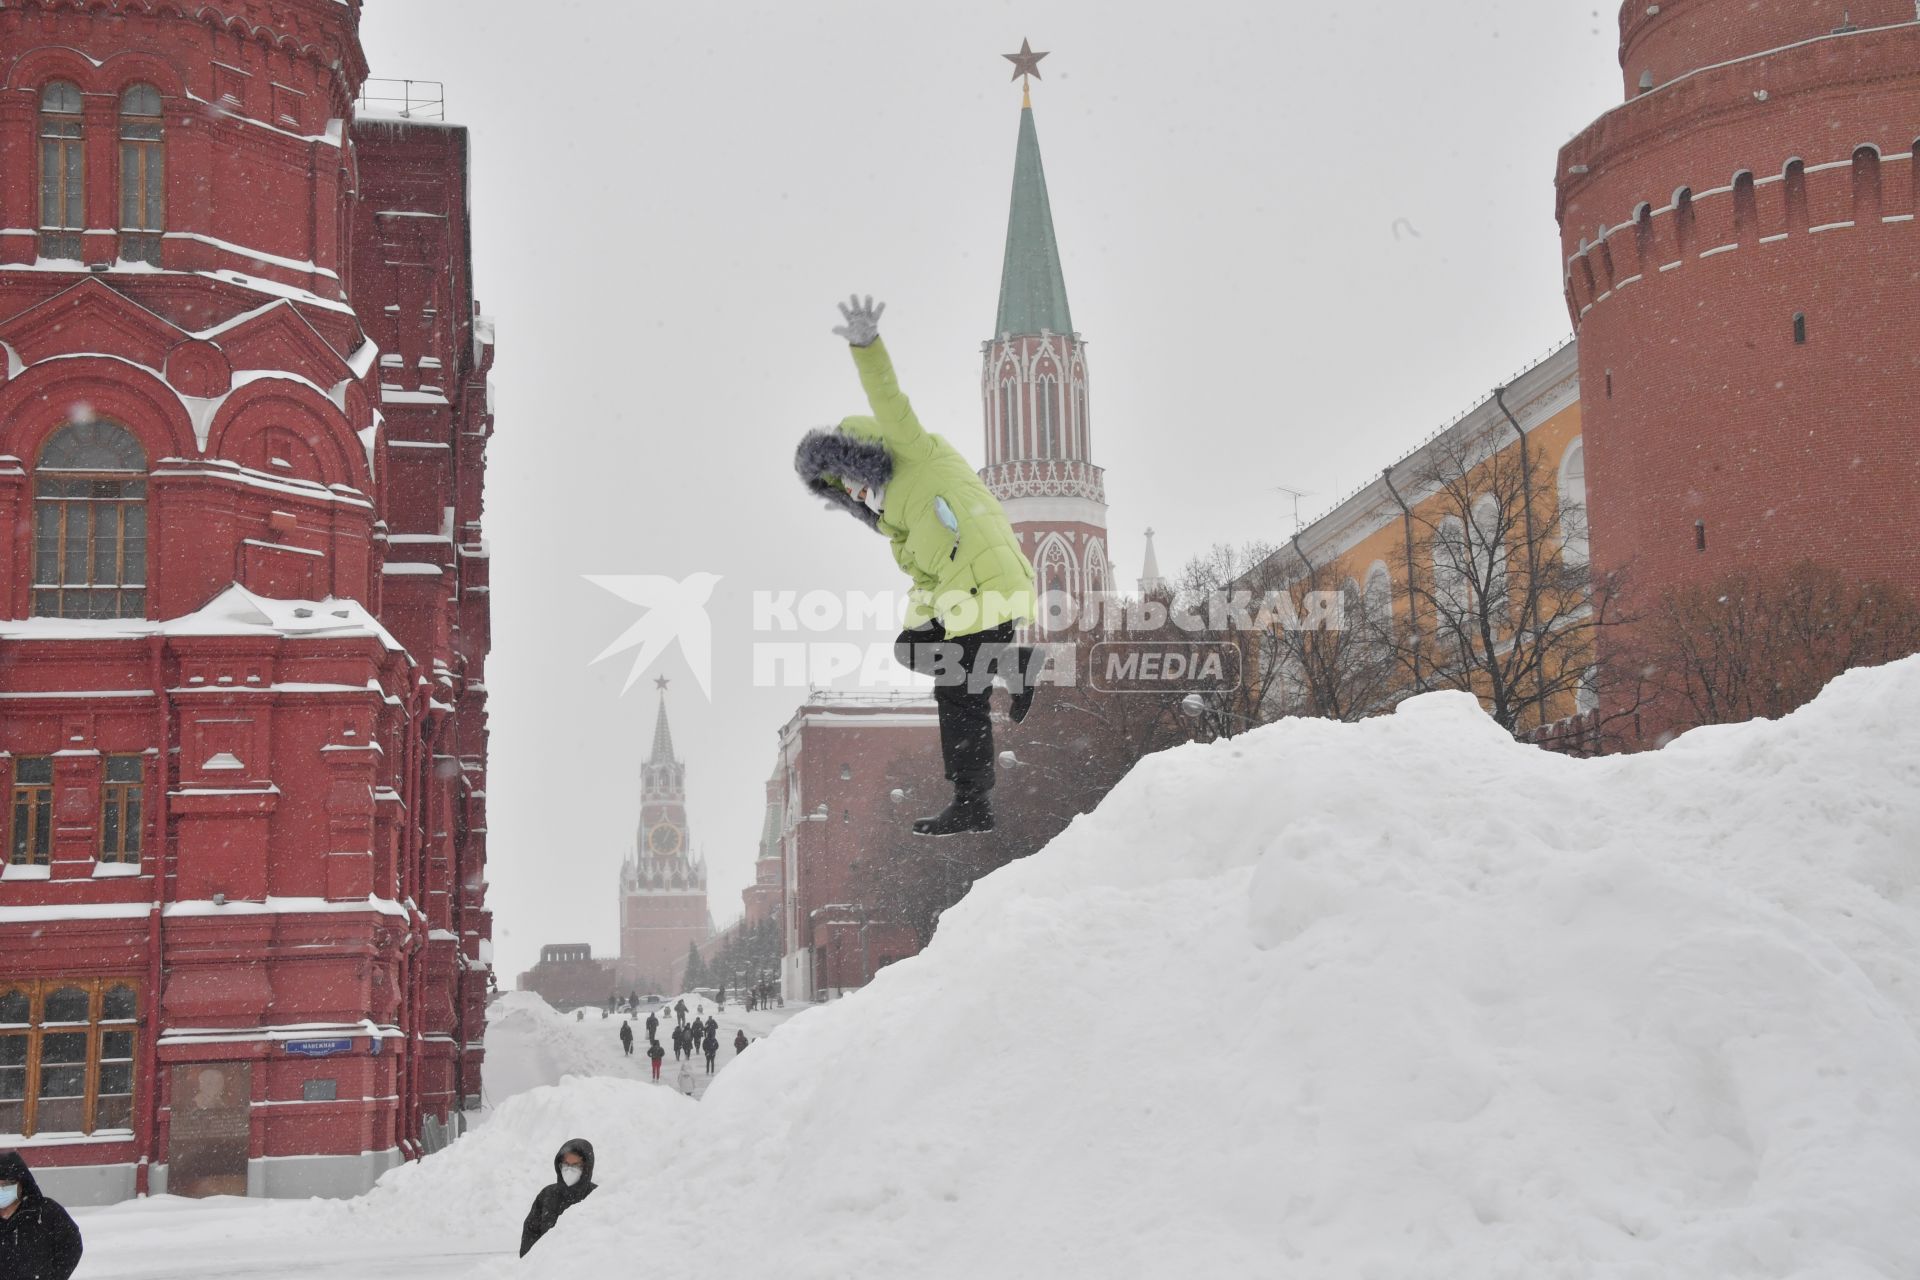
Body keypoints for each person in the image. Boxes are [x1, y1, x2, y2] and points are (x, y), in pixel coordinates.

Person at [795, 295, 1038, 836]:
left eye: (853, 477)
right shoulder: (895, 522)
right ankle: (1008, 669)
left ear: (862, 456)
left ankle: (973, 801)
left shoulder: (914, 451)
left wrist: (866, 345)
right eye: (847, 492)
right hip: (969, 592)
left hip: (987, 580)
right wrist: (917, 627)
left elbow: (888, 397)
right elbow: (925, 582)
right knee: (913, 652)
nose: (858, 493)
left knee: (958, 691)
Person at [0, 1150, 83, 1280]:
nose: (1, 1189)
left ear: (22, 1183)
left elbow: (71, 1246)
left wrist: (54, 1276)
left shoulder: (46, 1212)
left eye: (6, 1184)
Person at [518, 1139, 596, 1258]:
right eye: (565, 1164)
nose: (569, 1169)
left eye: (575, 1165)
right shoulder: (547, 1195)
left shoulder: (597, 1195)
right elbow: (531, 1233)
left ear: (586, 1168)